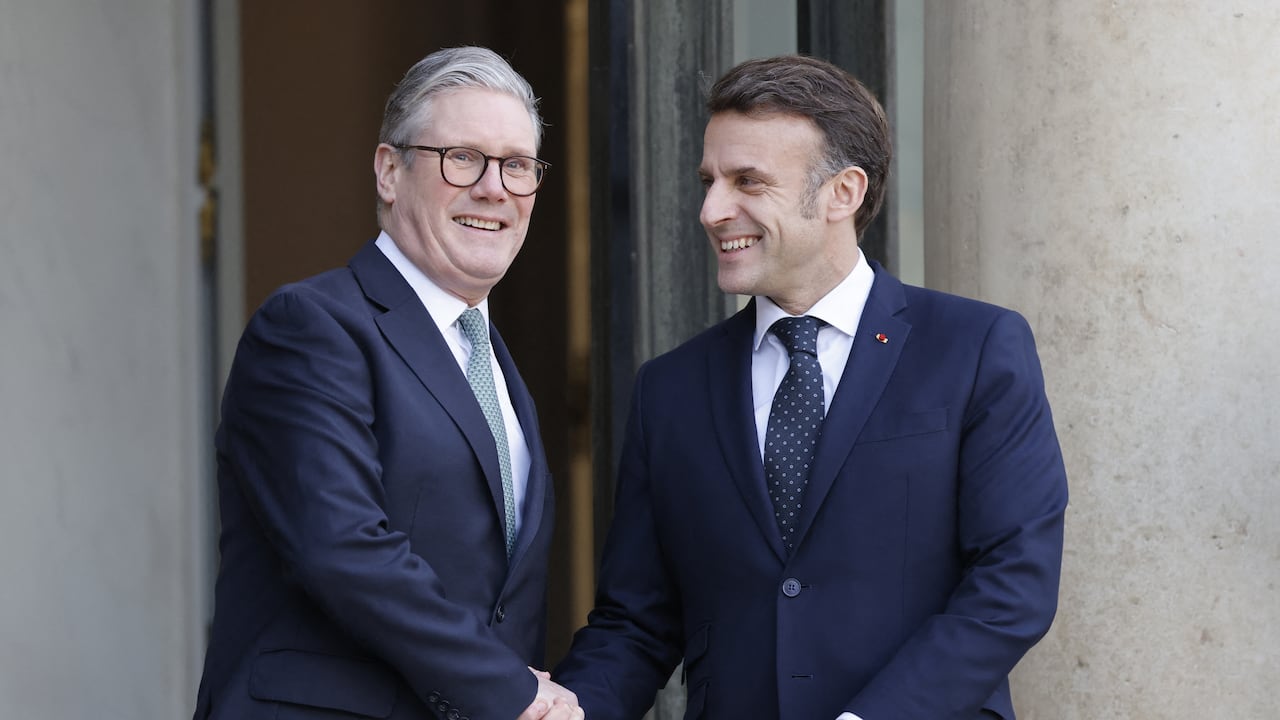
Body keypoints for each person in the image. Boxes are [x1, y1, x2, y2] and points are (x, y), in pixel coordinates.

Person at [554, 54, 1068, 720]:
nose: (711, 210)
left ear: (842, 193)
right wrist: (567, 708)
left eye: (747, 181)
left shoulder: (975, 348)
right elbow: (637, 622)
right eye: (709, 181)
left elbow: (1012, 585)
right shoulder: (669, 389)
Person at [193, 46, 581, 720]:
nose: (494, 188)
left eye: (517, 165)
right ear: (389, 171)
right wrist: (511, 691)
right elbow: (340, 546)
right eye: (462, 157)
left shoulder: (492, 361)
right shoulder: (311, 326)